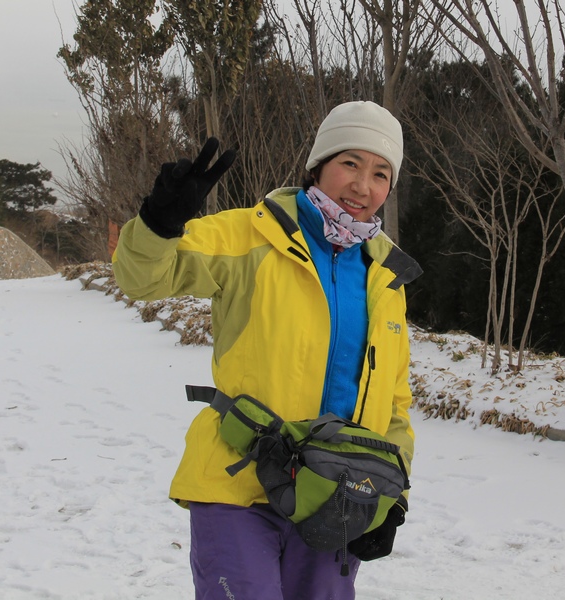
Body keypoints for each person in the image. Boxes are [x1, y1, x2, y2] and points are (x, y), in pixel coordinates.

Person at [112, 100, 421, 599]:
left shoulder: (385, 276)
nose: (364, 186)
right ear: (318, 165)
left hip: (335, 495)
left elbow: (396, 405)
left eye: (381, 173)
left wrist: (394, 495)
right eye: (350, 163)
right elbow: (142, 278)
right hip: (239, 481)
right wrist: (159, 224)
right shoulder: (251, 237)